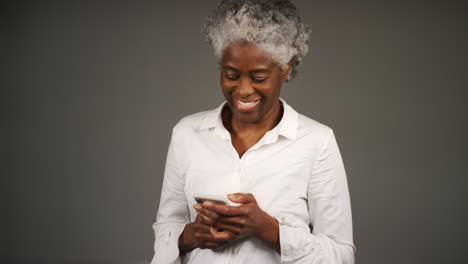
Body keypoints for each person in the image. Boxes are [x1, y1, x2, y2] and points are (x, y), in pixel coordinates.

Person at [151, 0, 355, 263]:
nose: (244, 90)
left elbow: (341, 254)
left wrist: (267, 229)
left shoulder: (317, 141)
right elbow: (166, 228)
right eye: (232, 75)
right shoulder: (187, 133)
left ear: (285, 71)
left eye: (258, 77)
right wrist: (191, 235)